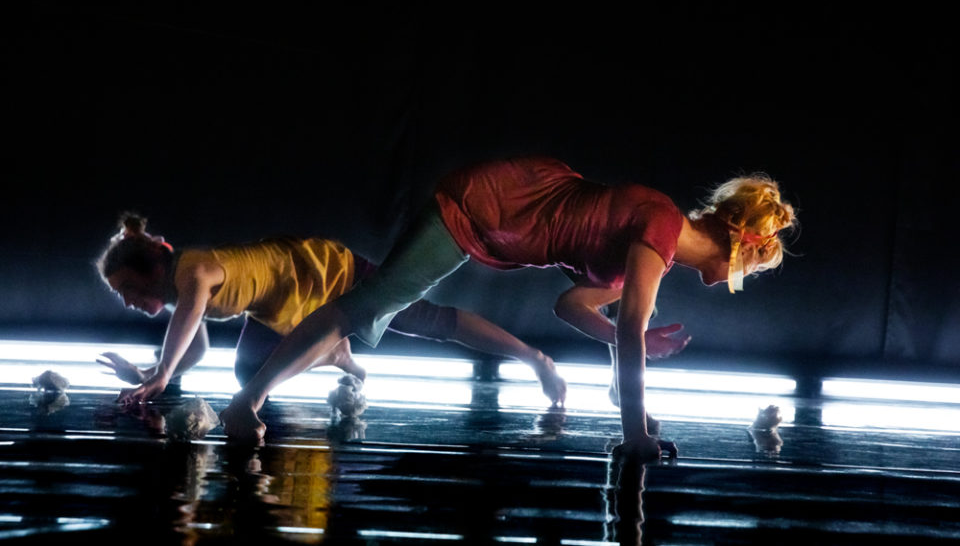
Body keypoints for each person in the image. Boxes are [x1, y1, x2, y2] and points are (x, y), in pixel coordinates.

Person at [217, 156, 797, 461]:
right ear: (741, 247)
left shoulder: (657, 246)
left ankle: (249, 400)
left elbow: (572, 307)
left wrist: (636, 395)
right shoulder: (660, 228)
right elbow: (627, 331)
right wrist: (634, 430)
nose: (731, 284)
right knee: (364, 306)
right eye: (746, 271)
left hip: (498, 213)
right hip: (488, 206)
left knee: (375, 309)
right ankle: (246, 401)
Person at [97, 213, 568, 406]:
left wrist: (159, 376)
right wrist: (153, 371)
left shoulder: (192, 272)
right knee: (248, 371)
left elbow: (185, 325)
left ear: (152, 267)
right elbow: (192, 346)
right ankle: (336, 353)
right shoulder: (182, 292)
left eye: (127, 289)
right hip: (284, 303)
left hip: (325, 271)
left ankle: (535, 358)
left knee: (425, 321)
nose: (127, 302)